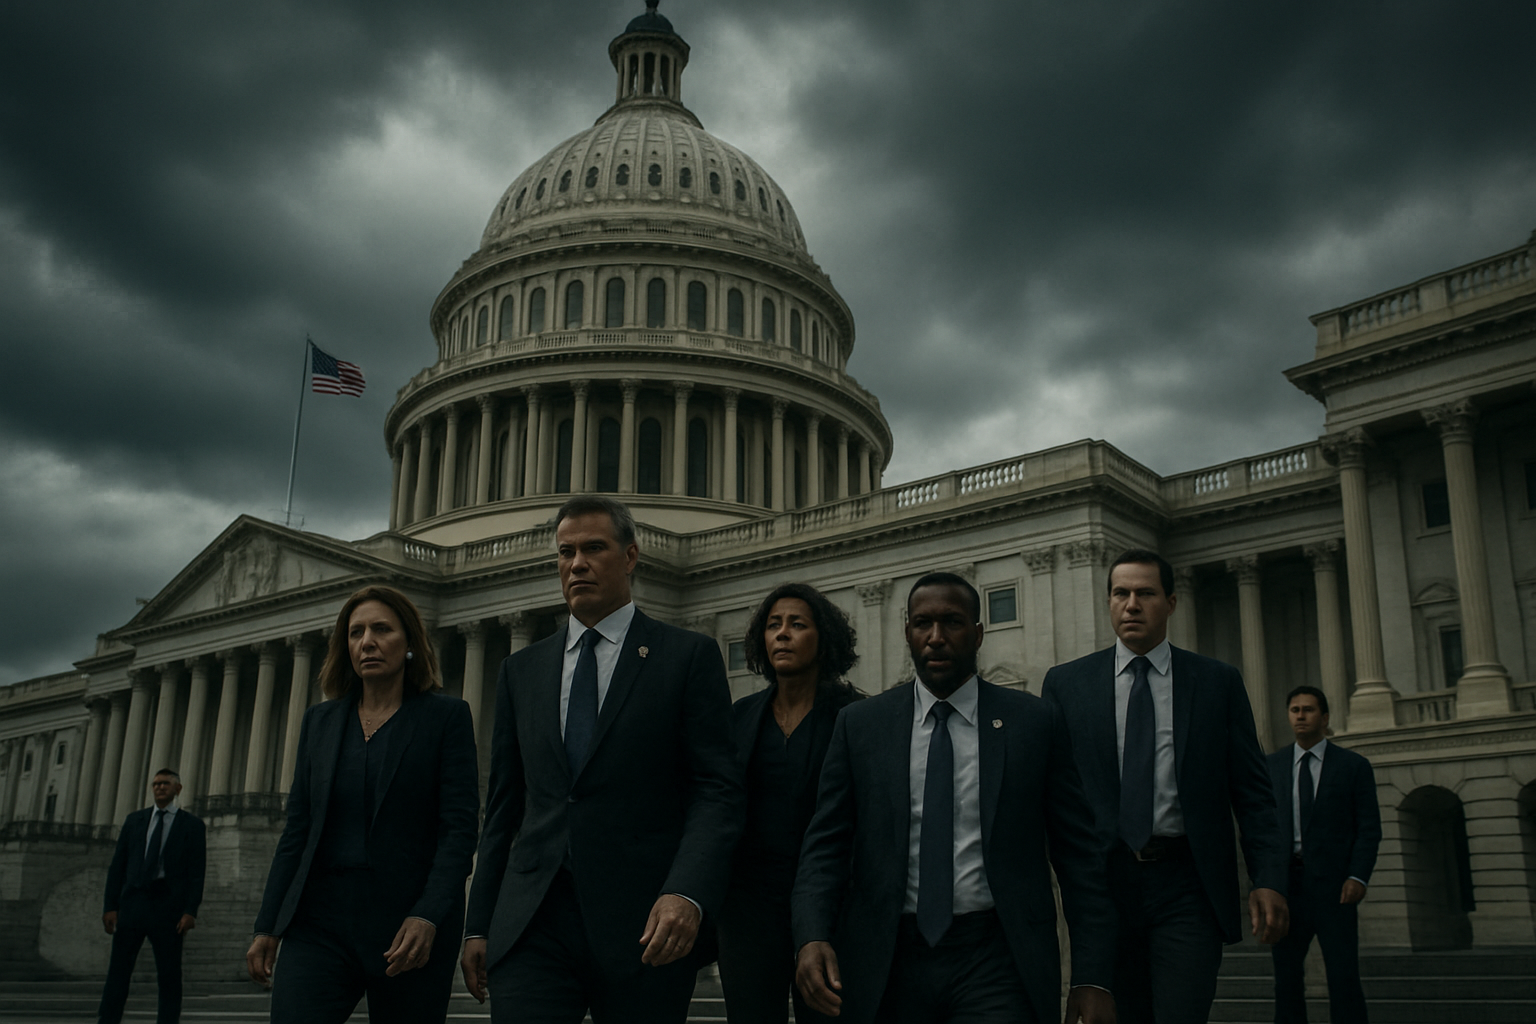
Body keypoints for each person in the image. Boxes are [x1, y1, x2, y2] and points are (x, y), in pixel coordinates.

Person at [460, 496, 744, 1024]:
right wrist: (479, 923)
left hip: (646, 922)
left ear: (631, 556)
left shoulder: (685, 657)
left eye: (594, 548)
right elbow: (504, 807)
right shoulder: (520, 671)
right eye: (565, 552)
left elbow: (716, 790)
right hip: (534, 922)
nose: (577, 564)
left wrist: (686, 890)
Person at [792, 572, 1117, 1024]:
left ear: (979, 633)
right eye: (923, 623)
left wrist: (1093, 975)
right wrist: (811, 936)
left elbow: (1079, 857)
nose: (936, 637)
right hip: (889, 959)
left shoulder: (1034, 723)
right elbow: (824, 846)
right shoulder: (861, 726)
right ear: (907, 632)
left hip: (995, 957)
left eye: (953, 623)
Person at [1041, 548, 1290, 1024]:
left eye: (1145, 593)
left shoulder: (1216, 682)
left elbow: (1254, 793)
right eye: (1120, 593)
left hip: (1187, 883)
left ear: (1171, 602)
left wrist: (1269, 878)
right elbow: (1053, 796)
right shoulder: (1066, 685)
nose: (1131, 604)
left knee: (1182, 1011)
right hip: (1103, 889)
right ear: (1109, 601)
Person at [246, 584, 479, 1024]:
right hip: (320, 921)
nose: (367, 642)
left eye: (381, 629)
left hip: (407, 925)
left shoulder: (446, 718)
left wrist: (428, 915)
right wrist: (268, 924)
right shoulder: (320, 721)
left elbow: (459, 831)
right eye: (355, 633)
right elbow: (298, 831)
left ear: (410, 643)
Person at [718, 582, 863, 1024]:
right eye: (773, 625)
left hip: (832, 908)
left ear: (824, 638)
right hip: (749, 910)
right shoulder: (740, 717)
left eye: (797, 625)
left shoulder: (857, 716)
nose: (782, 634)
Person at [1268, 686, 1380, 1024]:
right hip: (1288, 889)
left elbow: (1368, 828)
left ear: (1325, 718)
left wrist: (1358, 875)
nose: (1300, 716)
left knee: (1343, 977)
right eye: (1294, 710)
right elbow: (1259, 831)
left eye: (1308, 710)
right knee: (1286, 980)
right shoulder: (1271, 767)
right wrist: (1265, 883)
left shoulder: (1352, 766)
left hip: (1335, 890)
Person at [98, 768, 206, 1024]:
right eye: (156, 784)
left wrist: (190, 910)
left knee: (169, 975)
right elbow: (118, 866)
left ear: (178, 789)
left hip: (167, 907)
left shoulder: (192, 825)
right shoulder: (134, 821)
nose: (159, 787)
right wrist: (110, 906)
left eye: (165, 783)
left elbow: (196, 872)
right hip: (133, 904)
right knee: (118, 973)